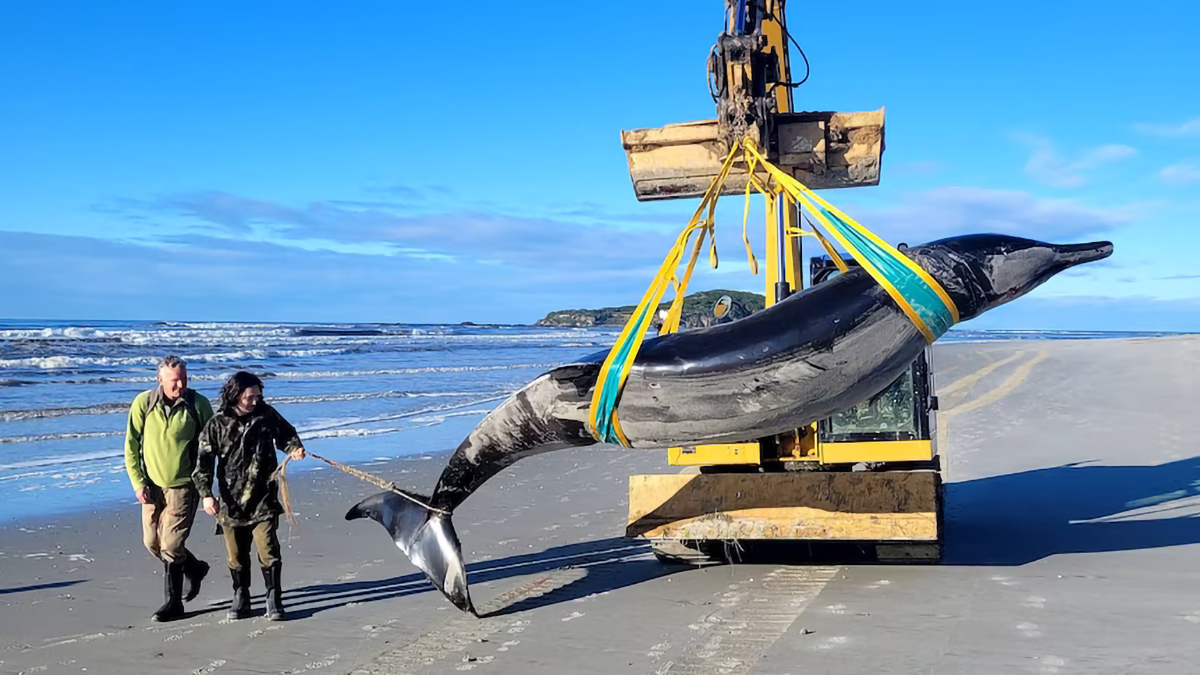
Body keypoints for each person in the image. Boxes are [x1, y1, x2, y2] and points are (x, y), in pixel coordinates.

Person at [194, 371, 306, 621]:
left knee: (268, 549)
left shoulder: (266, 415)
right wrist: (206, 495)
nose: (256, 401)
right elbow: (203, 462)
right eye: (250, 397)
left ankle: (273, 598)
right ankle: (241, 595)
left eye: (259, 395)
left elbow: (286, 434)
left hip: (264, 496)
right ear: (235, 395)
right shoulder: (217, 423)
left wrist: (294, 448)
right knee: (236, 554)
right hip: (230, 502)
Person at [124, 355, 215, 622]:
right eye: (174, 381)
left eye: (184, 379)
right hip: (151, 486)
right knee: (152, 543)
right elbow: (131, 445)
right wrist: (138, 482)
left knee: (172, 546)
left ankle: (173, 603)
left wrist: (206, 487)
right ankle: (195, 568)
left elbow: (211, 448)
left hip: (184, 486)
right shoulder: (144, 403)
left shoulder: (198, 405)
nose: (180, 385)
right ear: (160, 379)